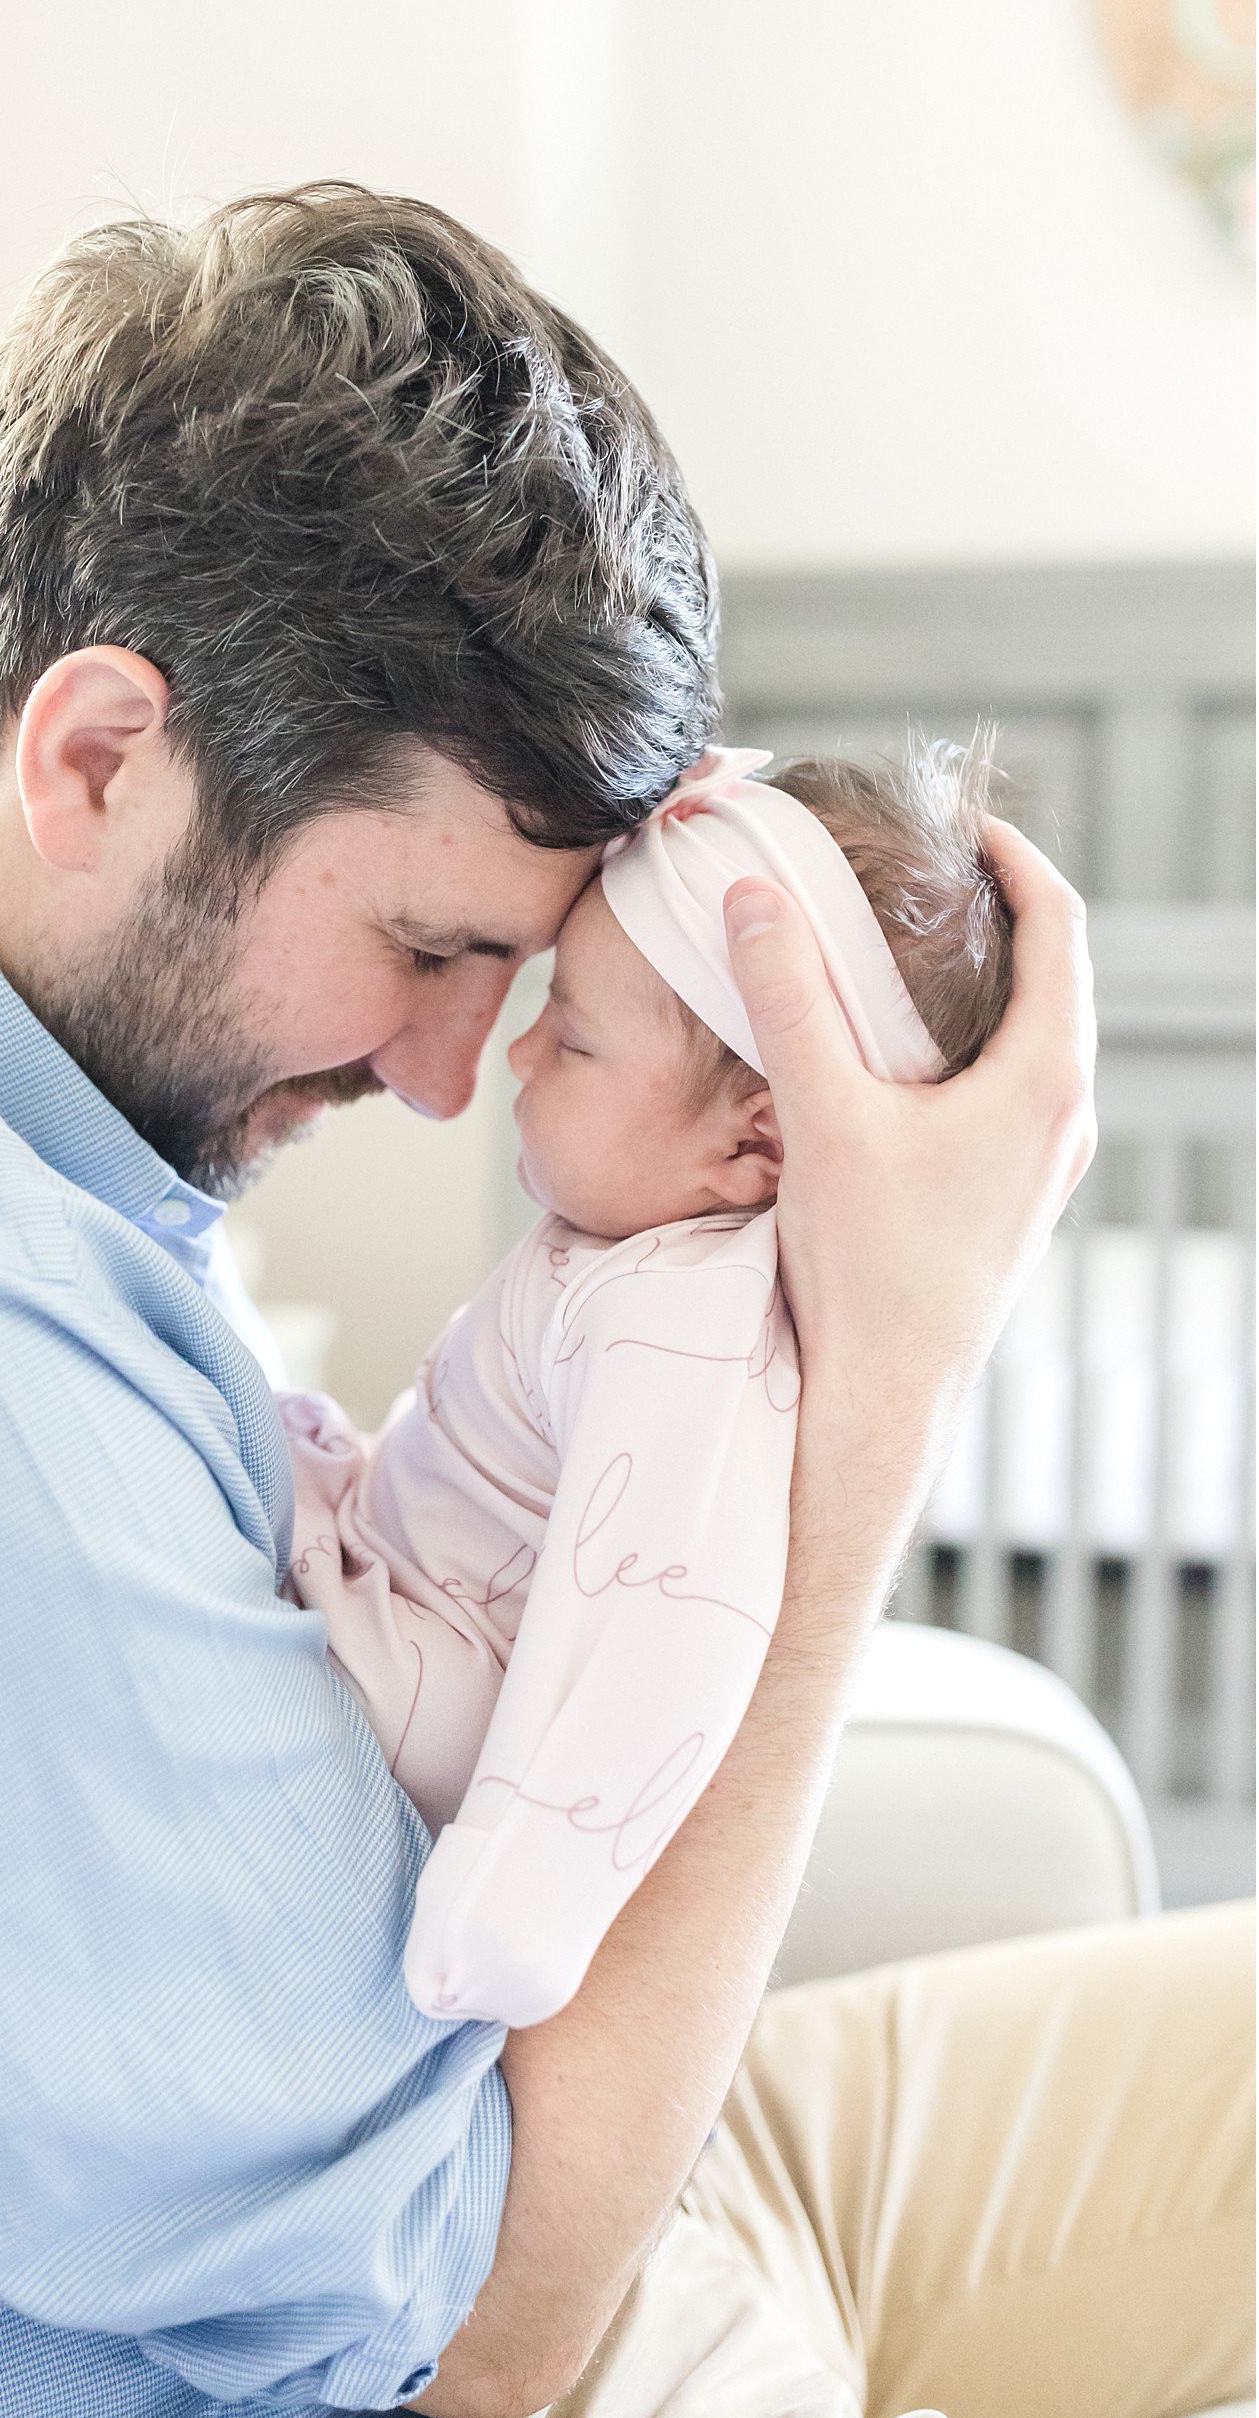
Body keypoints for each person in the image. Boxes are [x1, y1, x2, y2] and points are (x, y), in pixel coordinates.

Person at [0, 186, 1247, 2418]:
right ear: (98, 753)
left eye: (530, 973)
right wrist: (883, 1392)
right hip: (423, 2387)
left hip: (556, 2162)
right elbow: (490, 2311)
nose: (459, 1078)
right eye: (431, 942)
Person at [285, 741, 1010, 2031]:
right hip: (414, 1581)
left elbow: (663, 1631)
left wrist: (506, 1910)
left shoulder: (684, 1326)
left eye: (570, 1036)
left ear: (756, 1139)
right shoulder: (634, 1265)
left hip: (443, 1702)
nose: (514, 1059)